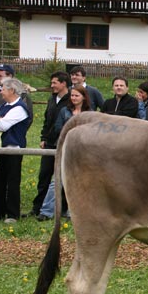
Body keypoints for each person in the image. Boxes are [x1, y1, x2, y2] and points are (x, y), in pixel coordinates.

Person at [37, 86, 92, 221]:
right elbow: (58, 128)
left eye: (76, 96)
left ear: (83, 97)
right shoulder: (64, 111)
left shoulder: (89, 113)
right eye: (72, 95)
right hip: (65, 148)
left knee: (79, 182)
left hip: (82, 151)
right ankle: (46, 211)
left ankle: (72, 212)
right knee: (56, 180)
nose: (73, 98)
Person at [0, 78, 32, 223]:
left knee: (12, 182)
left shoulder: (20, 108)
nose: (1, 92)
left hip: (13, 149)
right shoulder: (4, 106)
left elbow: (3, 126)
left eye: (3, 89)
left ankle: (12, 214)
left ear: (12, 90)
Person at [23, 71, 70, 218]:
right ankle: (38, 208)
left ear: (63, 83)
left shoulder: (71, 100)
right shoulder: (52, 99)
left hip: (64, 144)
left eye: (55, 82)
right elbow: (46, 120)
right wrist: (43, 137)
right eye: (52, 82)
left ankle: (62, 208)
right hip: (49, 143)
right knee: (44, 176)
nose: (52, 85)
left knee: (63, 178)